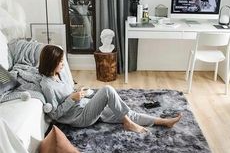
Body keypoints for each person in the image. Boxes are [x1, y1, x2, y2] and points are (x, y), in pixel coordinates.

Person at [39, 45, 181, 133]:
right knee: (107, 90)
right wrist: (72, 98)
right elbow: (55, 115)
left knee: (123, 112)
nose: (64, 64)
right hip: (79, 118)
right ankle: (128, 124)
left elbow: (68, 94)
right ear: (51, 62)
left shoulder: (58, 74)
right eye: (61, 61)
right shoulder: (47, 86)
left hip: (84, 105)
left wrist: (79, 93)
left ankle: (163, 122)